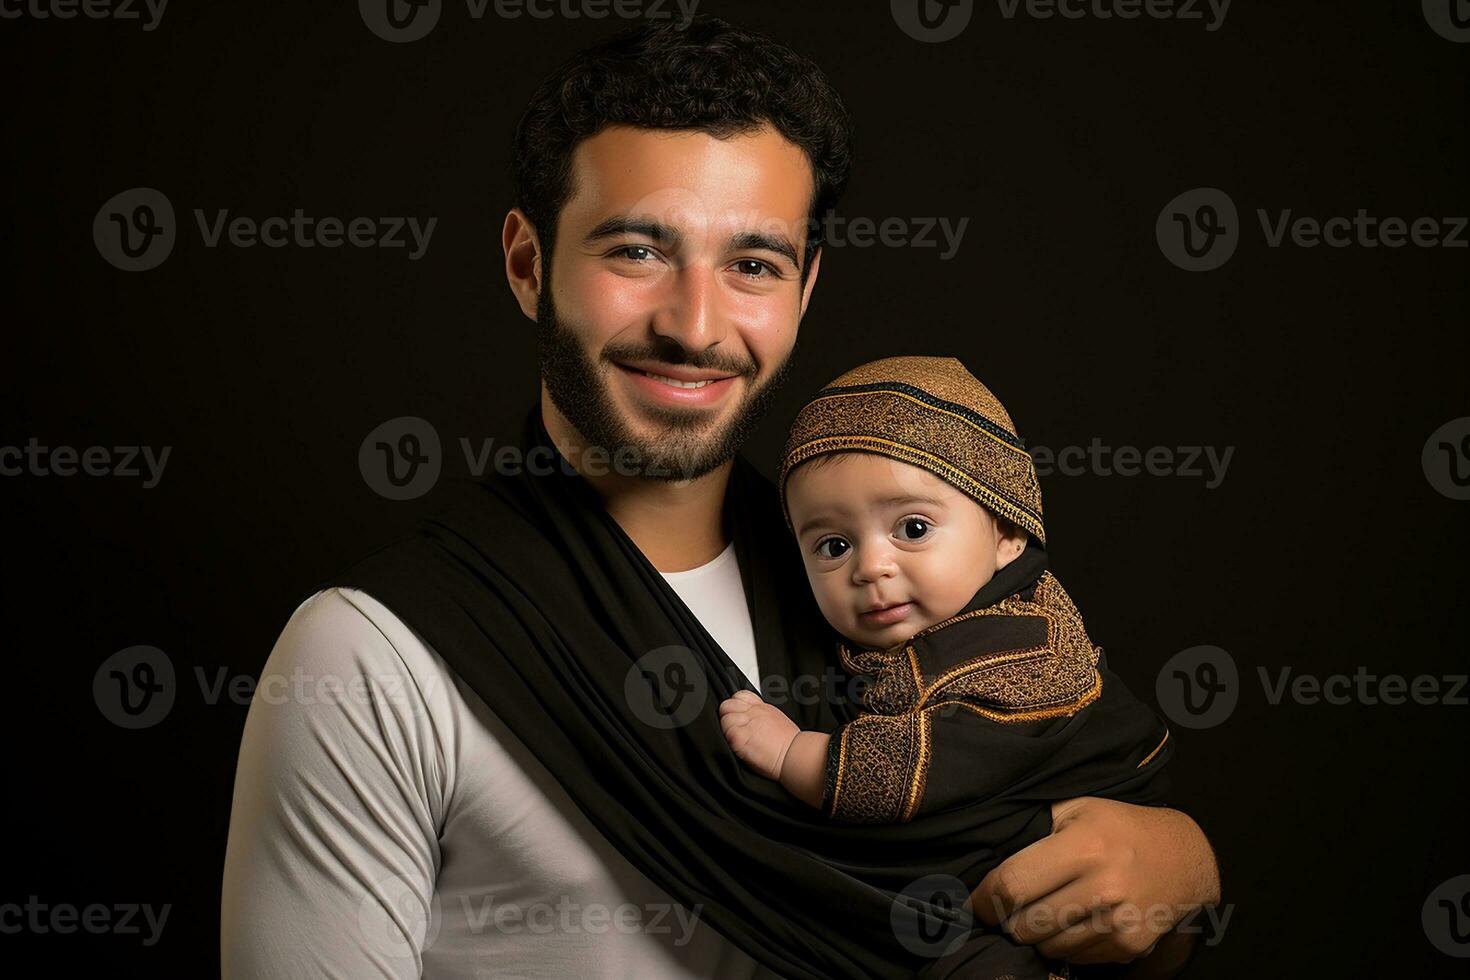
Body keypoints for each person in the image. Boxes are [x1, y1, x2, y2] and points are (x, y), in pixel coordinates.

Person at [220, 17, 1219, 980]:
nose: (697, 325)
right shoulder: (367, 657)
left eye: (752, 264)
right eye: (637, 250)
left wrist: (1182, 882)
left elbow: (1007, 850)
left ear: (805, 287)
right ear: (530, 266)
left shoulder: (873, 587)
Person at [720, 355, 1174, 978]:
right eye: (832, 545)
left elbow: (918, 768)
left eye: (912, 527)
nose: (870, 566)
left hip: (1062, 863)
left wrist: (792, 751)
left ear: (1008, 534)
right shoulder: (913, 633)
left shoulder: (1015, 650)